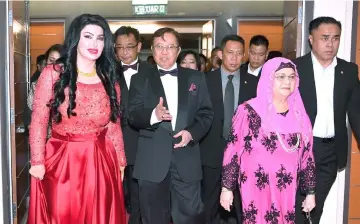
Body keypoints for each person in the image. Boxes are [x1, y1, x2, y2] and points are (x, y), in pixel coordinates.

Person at [28, 14, 127, 224]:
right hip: (63, 159)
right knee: (62, 215)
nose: (94, 43)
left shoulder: (109, 76)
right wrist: (37, 160)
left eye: (100, 38)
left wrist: (120, 161)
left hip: (101, 160)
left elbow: (113, 124)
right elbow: (39, 119)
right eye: (88, 36)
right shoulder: (53, 73)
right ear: (76, 39)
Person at [127, 27, 213, 224]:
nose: (164, 52)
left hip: (187, 159)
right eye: (159, 47)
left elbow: (206, 113)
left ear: (178, 49)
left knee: (191, 216)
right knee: (153, 218)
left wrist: (191, 133)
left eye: (170, 47)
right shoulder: (140, 78)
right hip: (152, 162)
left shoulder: (196, 78)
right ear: (151, 49)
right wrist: (153, 115)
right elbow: (133, 115)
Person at [220, 57, 316, 223]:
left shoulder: (299, 115)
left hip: (286, 188)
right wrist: (227, 188)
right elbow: (233, 149)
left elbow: (307, 156)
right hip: (256, 187)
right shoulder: (248, 111)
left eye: (292, 77)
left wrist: (310, 193)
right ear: (269, 78)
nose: (287, 81)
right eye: (281, 76)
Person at [294, 16, 360, 224]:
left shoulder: (348, 71)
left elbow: (357, 112)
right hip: (299, 149)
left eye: (335, 38)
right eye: (324, 38)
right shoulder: (294, 69)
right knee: (296, 208)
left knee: (315, 207)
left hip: (330, 151)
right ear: (311, 39)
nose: (330, 44)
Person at [200, 34, 258, 224]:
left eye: (238, 53)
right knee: (209, 205)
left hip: (244, 156)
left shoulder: (255, 83)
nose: (234, 58)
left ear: (244, 55)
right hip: (211, 153)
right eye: (229, 53)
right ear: (220, 54)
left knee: (242, 206)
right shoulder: (205, 80)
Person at [114, 25, 150, 224]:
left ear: (139, 46)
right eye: (119, 47)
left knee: (138, 191)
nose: (124, 52)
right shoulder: (107, 72)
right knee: (116, 191)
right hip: (113, 140)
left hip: (141, 139)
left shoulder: (151, 71)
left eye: (129, 46)